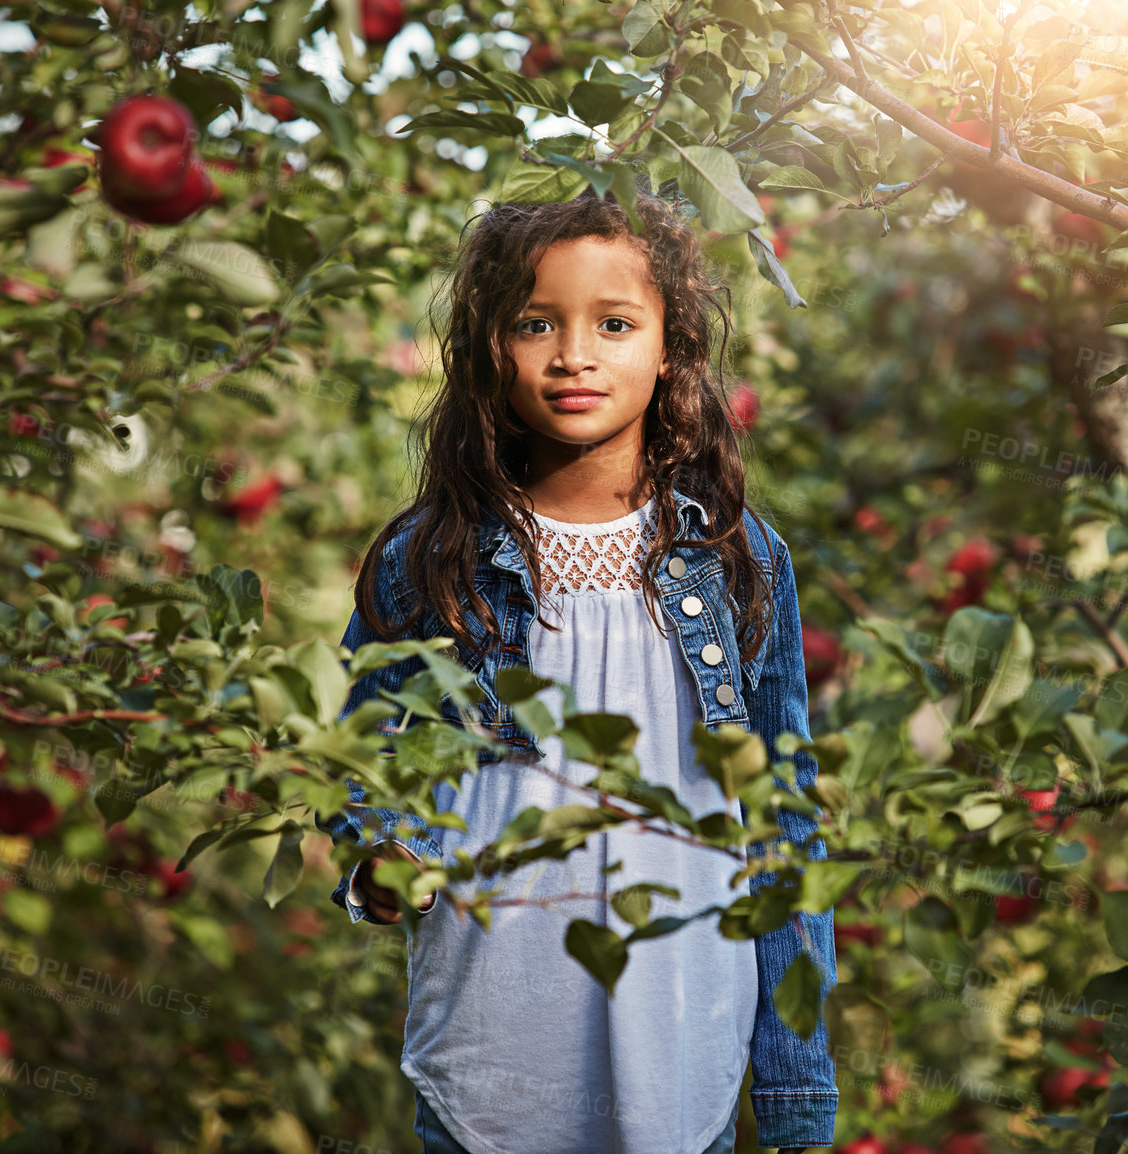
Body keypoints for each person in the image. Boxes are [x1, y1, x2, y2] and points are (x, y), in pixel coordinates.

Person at [321, 184, 837, 1154]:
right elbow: (359, 756)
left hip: (688, 1033)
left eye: (613, 321)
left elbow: (782, 819)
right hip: (490, 1040)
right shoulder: (429, 559)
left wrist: (796, 1084)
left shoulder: (738, 560)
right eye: (535, 323)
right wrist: (383, 852)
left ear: (670, 345)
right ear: (489, 350)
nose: (573, 355)